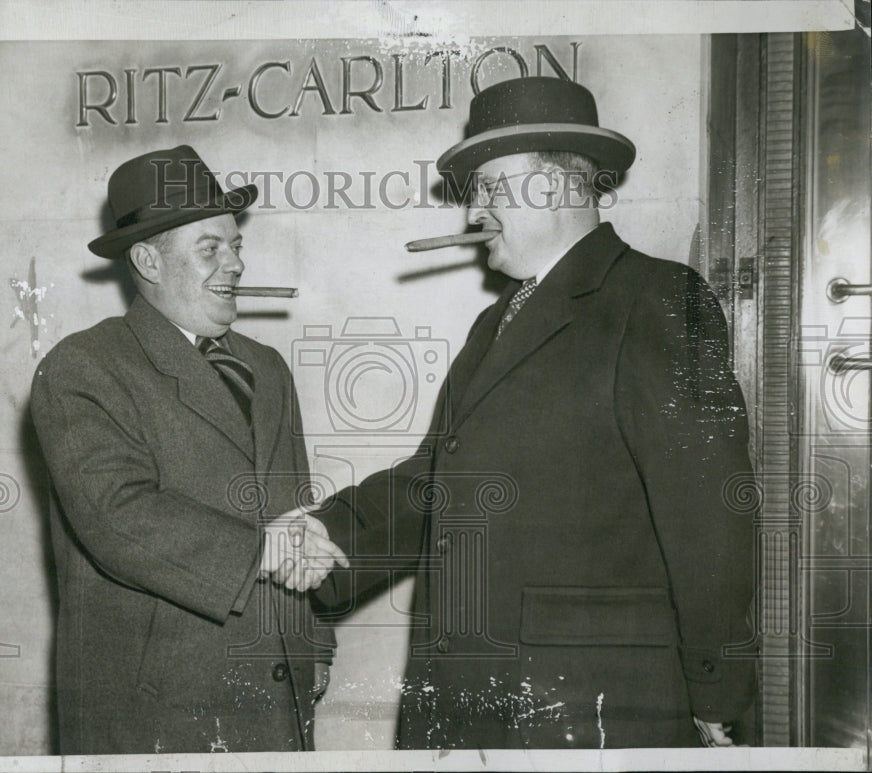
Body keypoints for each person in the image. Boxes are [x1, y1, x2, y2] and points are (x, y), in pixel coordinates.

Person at [274, 77, 757, 749]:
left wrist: (717, 691)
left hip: (591, 715)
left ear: (559, 187)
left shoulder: (657, 298)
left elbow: (711, 521)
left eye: (491, 188)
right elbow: (437, 482)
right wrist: (328, 536)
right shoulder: (493, 323)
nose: (475, 214)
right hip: (472, 704)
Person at [30, 145, 348, 754]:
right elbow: (116, 516)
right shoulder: (82, 367)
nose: (234, 265)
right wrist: (263, 550)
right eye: (210, 249)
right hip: (153, 705)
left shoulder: (267, 367)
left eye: (236, 246)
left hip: (276, 685)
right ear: (148, 260)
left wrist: (315, 644)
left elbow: (294, 510)